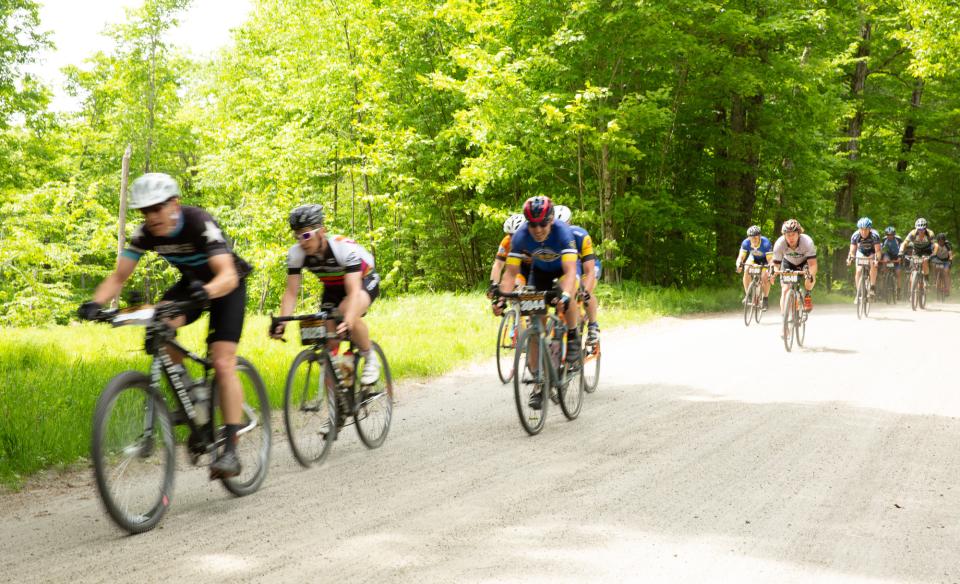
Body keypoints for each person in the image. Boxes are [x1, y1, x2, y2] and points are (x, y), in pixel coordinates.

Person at [78, 172, 250, 479]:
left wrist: (208, 292)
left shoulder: (199, 222)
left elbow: (226, 273)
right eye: (145, 211)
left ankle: (232, 452)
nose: (152, 216)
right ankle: (193, 399)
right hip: (192, 285)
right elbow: (119, 276)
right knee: (159, 326)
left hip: (226, 286)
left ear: (175, 204)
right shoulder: (145, 233)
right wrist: (96, 303)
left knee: (223, 362)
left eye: (157, 208)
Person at [271, 204, 382, 385]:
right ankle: (344, 391)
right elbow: (291, 293)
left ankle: (370, 357)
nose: (302, 241)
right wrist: (282, 321)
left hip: (364, 280)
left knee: (346, 311)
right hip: (332, 288)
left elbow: (353, 291)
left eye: (306, 235)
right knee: (328, 339)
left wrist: (348, 320)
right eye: (296, 236)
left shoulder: (342, 248)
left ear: (322, 230)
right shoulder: (296, 253)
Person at [495, 196, 580, 408]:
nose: (538, 229)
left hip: (563, 271)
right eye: (533, 224)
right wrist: (501, 298)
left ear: (551, 220)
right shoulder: (521, 236)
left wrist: (566, 296)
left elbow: (570, 272)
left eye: (543, 223)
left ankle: (573, 337)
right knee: (535, 324)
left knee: (565, 298)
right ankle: (538, 381)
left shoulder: (563, 233)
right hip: (540, 273)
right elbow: (510, 272)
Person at [555, 205, 601, 346]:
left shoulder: (580, 235)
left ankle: (593, 326)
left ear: (570, 222)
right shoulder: (549, 238)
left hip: (587, 266)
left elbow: (589, 270)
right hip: (569, 268)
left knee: (584, 293)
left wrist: (585, 291)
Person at [772, 219, 818, 313]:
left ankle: (807, 295)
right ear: (784, 235)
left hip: (804, 263)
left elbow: (813, 264)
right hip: (788, 263)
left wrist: (810, 274)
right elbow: (776, 264)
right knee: (785, 290)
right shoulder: (779, 243)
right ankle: (784, 318)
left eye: (793, 234)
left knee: (810, 278)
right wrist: (773, 273)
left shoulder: (807, 242)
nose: (791, 238)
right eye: (788, 235)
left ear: (799, 234)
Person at [488, 214, 529, 298]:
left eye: (517, 234)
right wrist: (493, 285)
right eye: (511, 235)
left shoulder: (534, 239)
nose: (513, 238)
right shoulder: (506, 242)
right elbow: (498, 265)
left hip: (536, 269)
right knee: (515, 284)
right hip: (520, 270)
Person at [735, 225, 774, 310]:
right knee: (746, 270)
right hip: (753, 258)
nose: (754, 240)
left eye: (756, 238)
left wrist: (770, 268)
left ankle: (765, 299)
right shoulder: (745, 243)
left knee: (764, 276)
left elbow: (770, 260)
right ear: (749, 238)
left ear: (760, 236)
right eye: (752, 238)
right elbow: (740, 257)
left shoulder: (766, 243)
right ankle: (748, 296)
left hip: (765, 260)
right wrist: (738, 264)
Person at [846, 217, 882, 300]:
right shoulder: (855, 236)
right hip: (861, 252)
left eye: (866, 230)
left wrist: (877, 260)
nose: (863, 232)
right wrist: (850, 259)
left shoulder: (875, 235)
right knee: (858, 270)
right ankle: (858, 292)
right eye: (861, 229)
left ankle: (872, 287)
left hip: (872, 252)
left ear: (870, 229)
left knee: (873, 264)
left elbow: (878, 251)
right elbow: (852, 251)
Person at [901, 218, 936, 282]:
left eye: (923, 229)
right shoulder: (913, 233)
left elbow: (935, 245)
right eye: (919, 229)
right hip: (916, 251)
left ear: (926, 228)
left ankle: (926, 278)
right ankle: (912, 285)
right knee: (913, 265)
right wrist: (900, 252)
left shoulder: (930, 233)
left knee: (925, 261)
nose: (921, 231)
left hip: (926, 250)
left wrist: (934, 253)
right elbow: (905, 243)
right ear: (916, 228)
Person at [879, 226, 903, 297]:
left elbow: (902, 249)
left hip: (897, 255)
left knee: (898, 273)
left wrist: (900, 257)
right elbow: (881, 250)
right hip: (888, 254)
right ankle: (885, 274)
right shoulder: (884, 240)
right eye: (888, 235)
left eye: (891, 235)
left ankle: (898, 290)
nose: (890, 236)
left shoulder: (898, 239)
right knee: (885, 259)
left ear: (894, 234)